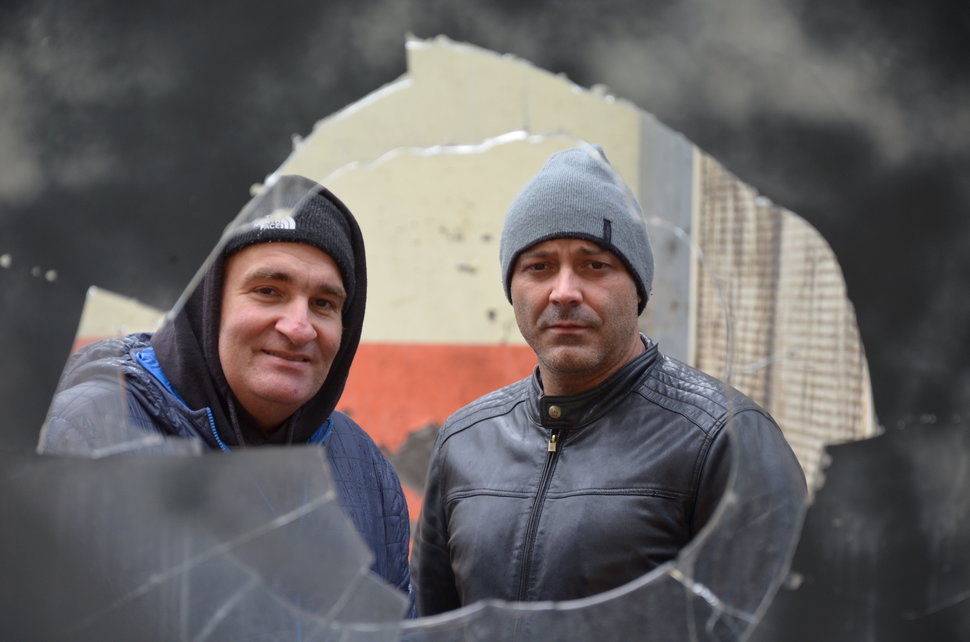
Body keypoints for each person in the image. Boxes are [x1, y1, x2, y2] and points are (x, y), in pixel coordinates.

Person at [412, 145, 807, 615]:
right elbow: (432, 623)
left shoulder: (726, 440)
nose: (563, 292)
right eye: (538, 266)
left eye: (594, 265)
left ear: (637, 286)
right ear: (511, 287)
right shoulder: (465, 440)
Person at [39, 175, 413, 607]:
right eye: (268, 291)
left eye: (324, 303)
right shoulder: (90, 431)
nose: (299, 327)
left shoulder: (362, 464)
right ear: (205, 302)